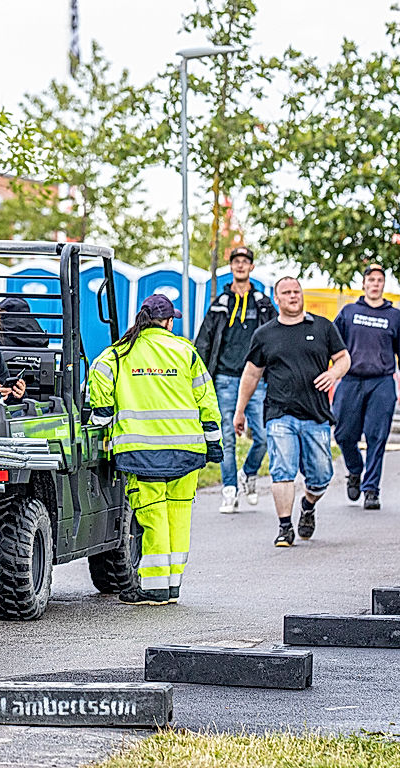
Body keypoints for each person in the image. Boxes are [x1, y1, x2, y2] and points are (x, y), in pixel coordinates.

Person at [88, 294, 222, 606]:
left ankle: (153, 589)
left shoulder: (119, 353)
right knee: (178, 515)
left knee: (152, 516)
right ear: (168, 321)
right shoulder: (185, 351)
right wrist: (213, 442)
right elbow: (206, 399)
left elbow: (100, 388)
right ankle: (171, 586)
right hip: (187, 450)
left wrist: (102, 415)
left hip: (140, 453)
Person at [235, 277, 350, 547]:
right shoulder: (265, 334)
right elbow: (252, 374)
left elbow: (344, 358)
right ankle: (285, 527)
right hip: (279, 413)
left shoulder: (322, 327)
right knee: (282, 470)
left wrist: (333, 373)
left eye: (296, 291)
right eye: (286, 293)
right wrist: (240, 411)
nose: (292, 296)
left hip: (316, 414)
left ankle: (308, 504)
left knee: (322, 476)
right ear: (277, 299)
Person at [195, 245, 277, 514]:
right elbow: (205, 341)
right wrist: (198, 375)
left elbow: (277, 338)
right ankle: (229, 490)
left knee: (264, 437)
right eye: (236, 262)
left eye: (245, 261)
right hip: (225, 379)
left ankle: (249, 473)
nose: (240, 265)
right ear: (231, 267)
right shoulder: (220, 303)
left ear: (252, 267)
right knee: (226, 437)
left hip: (257, 381)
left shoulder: (263, 303)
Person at [331, 265, 400, 510]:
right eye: (371, 280)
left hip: (381, 382)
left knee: (377, 437)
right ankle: (355, 470)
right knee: (344, 435)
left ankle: (371, 489)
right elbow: (331, 345)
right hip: (350, 380)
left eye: (379, 280)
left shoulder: (394, 316)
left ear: (383, 285)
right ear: (364, 284)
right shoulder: (349, 312)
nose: (375, 284)